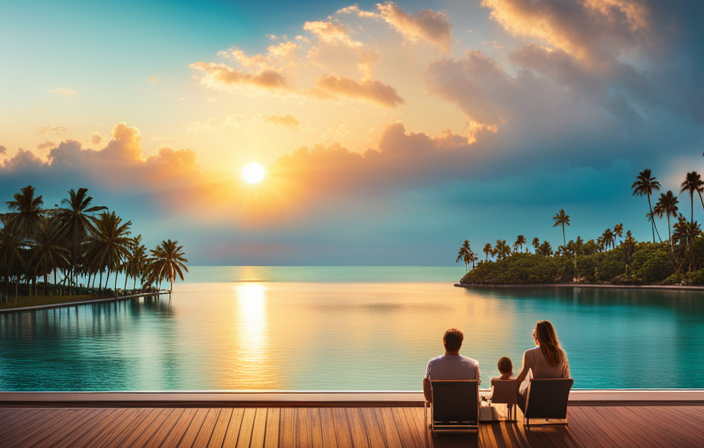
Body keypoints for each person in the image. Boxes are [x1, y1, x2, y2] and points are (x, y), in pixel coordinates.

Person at [514, 320, 570, 412]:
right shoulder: (561, 354)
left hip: (534, 403)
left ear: (536, 336)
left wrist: (512, 390)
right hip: (555, 403)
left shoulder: (530, 354)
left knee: (519, 391)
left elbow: (520, 379)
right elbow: (566, 379)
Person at [423, 328, 480, 402]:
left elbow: (428, 395)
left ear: (444, 343)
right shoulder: (472, 365)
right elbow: (476, 389)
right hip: (465, 411)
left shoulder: (433, 364)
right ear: (460, 344)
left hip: (440, 411)